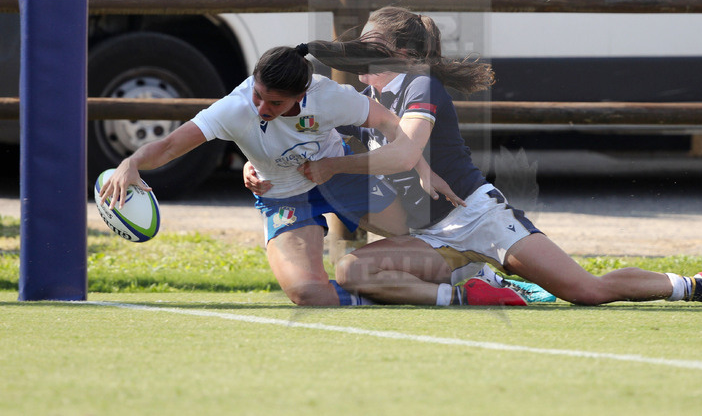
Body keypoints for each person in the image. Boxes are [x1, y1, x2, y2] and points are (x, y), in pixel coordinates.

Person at [287, 6, 702, 307]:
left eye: (372, 43)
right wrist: (259, 156)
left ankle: (696, 284)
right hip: (431, 236)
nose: (359, 51)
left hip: (479, 219)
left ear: (404, 51)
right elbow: (298, 128)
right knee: (353, 270)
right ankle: (470, 291)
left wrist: (332, 167)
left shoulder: (420, 84)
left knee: (586, 291)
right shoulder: (362, 102)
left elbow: (403, 153)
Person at [99, 42, 460, 307]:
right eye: (258, 95)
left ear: (302, 95)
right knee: (307, 293)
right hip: (282, 196)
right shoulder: (235, 107)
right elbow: (169, 146)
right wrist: (131, 163)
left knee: (421, 240)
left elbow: (394, 125)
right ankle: (380, 298)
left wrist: (424, 171)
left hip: (342, 176)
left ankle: (478, 278)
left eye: (275, 103)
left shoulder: (329, 96)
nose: (261, 107)